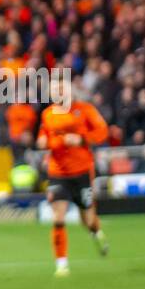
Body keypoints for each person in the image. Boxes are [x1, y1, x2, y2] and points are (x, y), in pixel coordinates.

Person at [36, 95, 109, 276]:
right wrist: (42, 142)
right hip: (58, 174)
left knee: (88, 220)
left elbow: (102, 132)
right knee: (58, 218)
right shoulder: (48, 114)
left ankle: (97, 231)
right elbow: (42, 137)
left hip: (82, 173)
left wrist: (81, 139)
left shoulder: (84, 110)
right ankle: (62, 265)